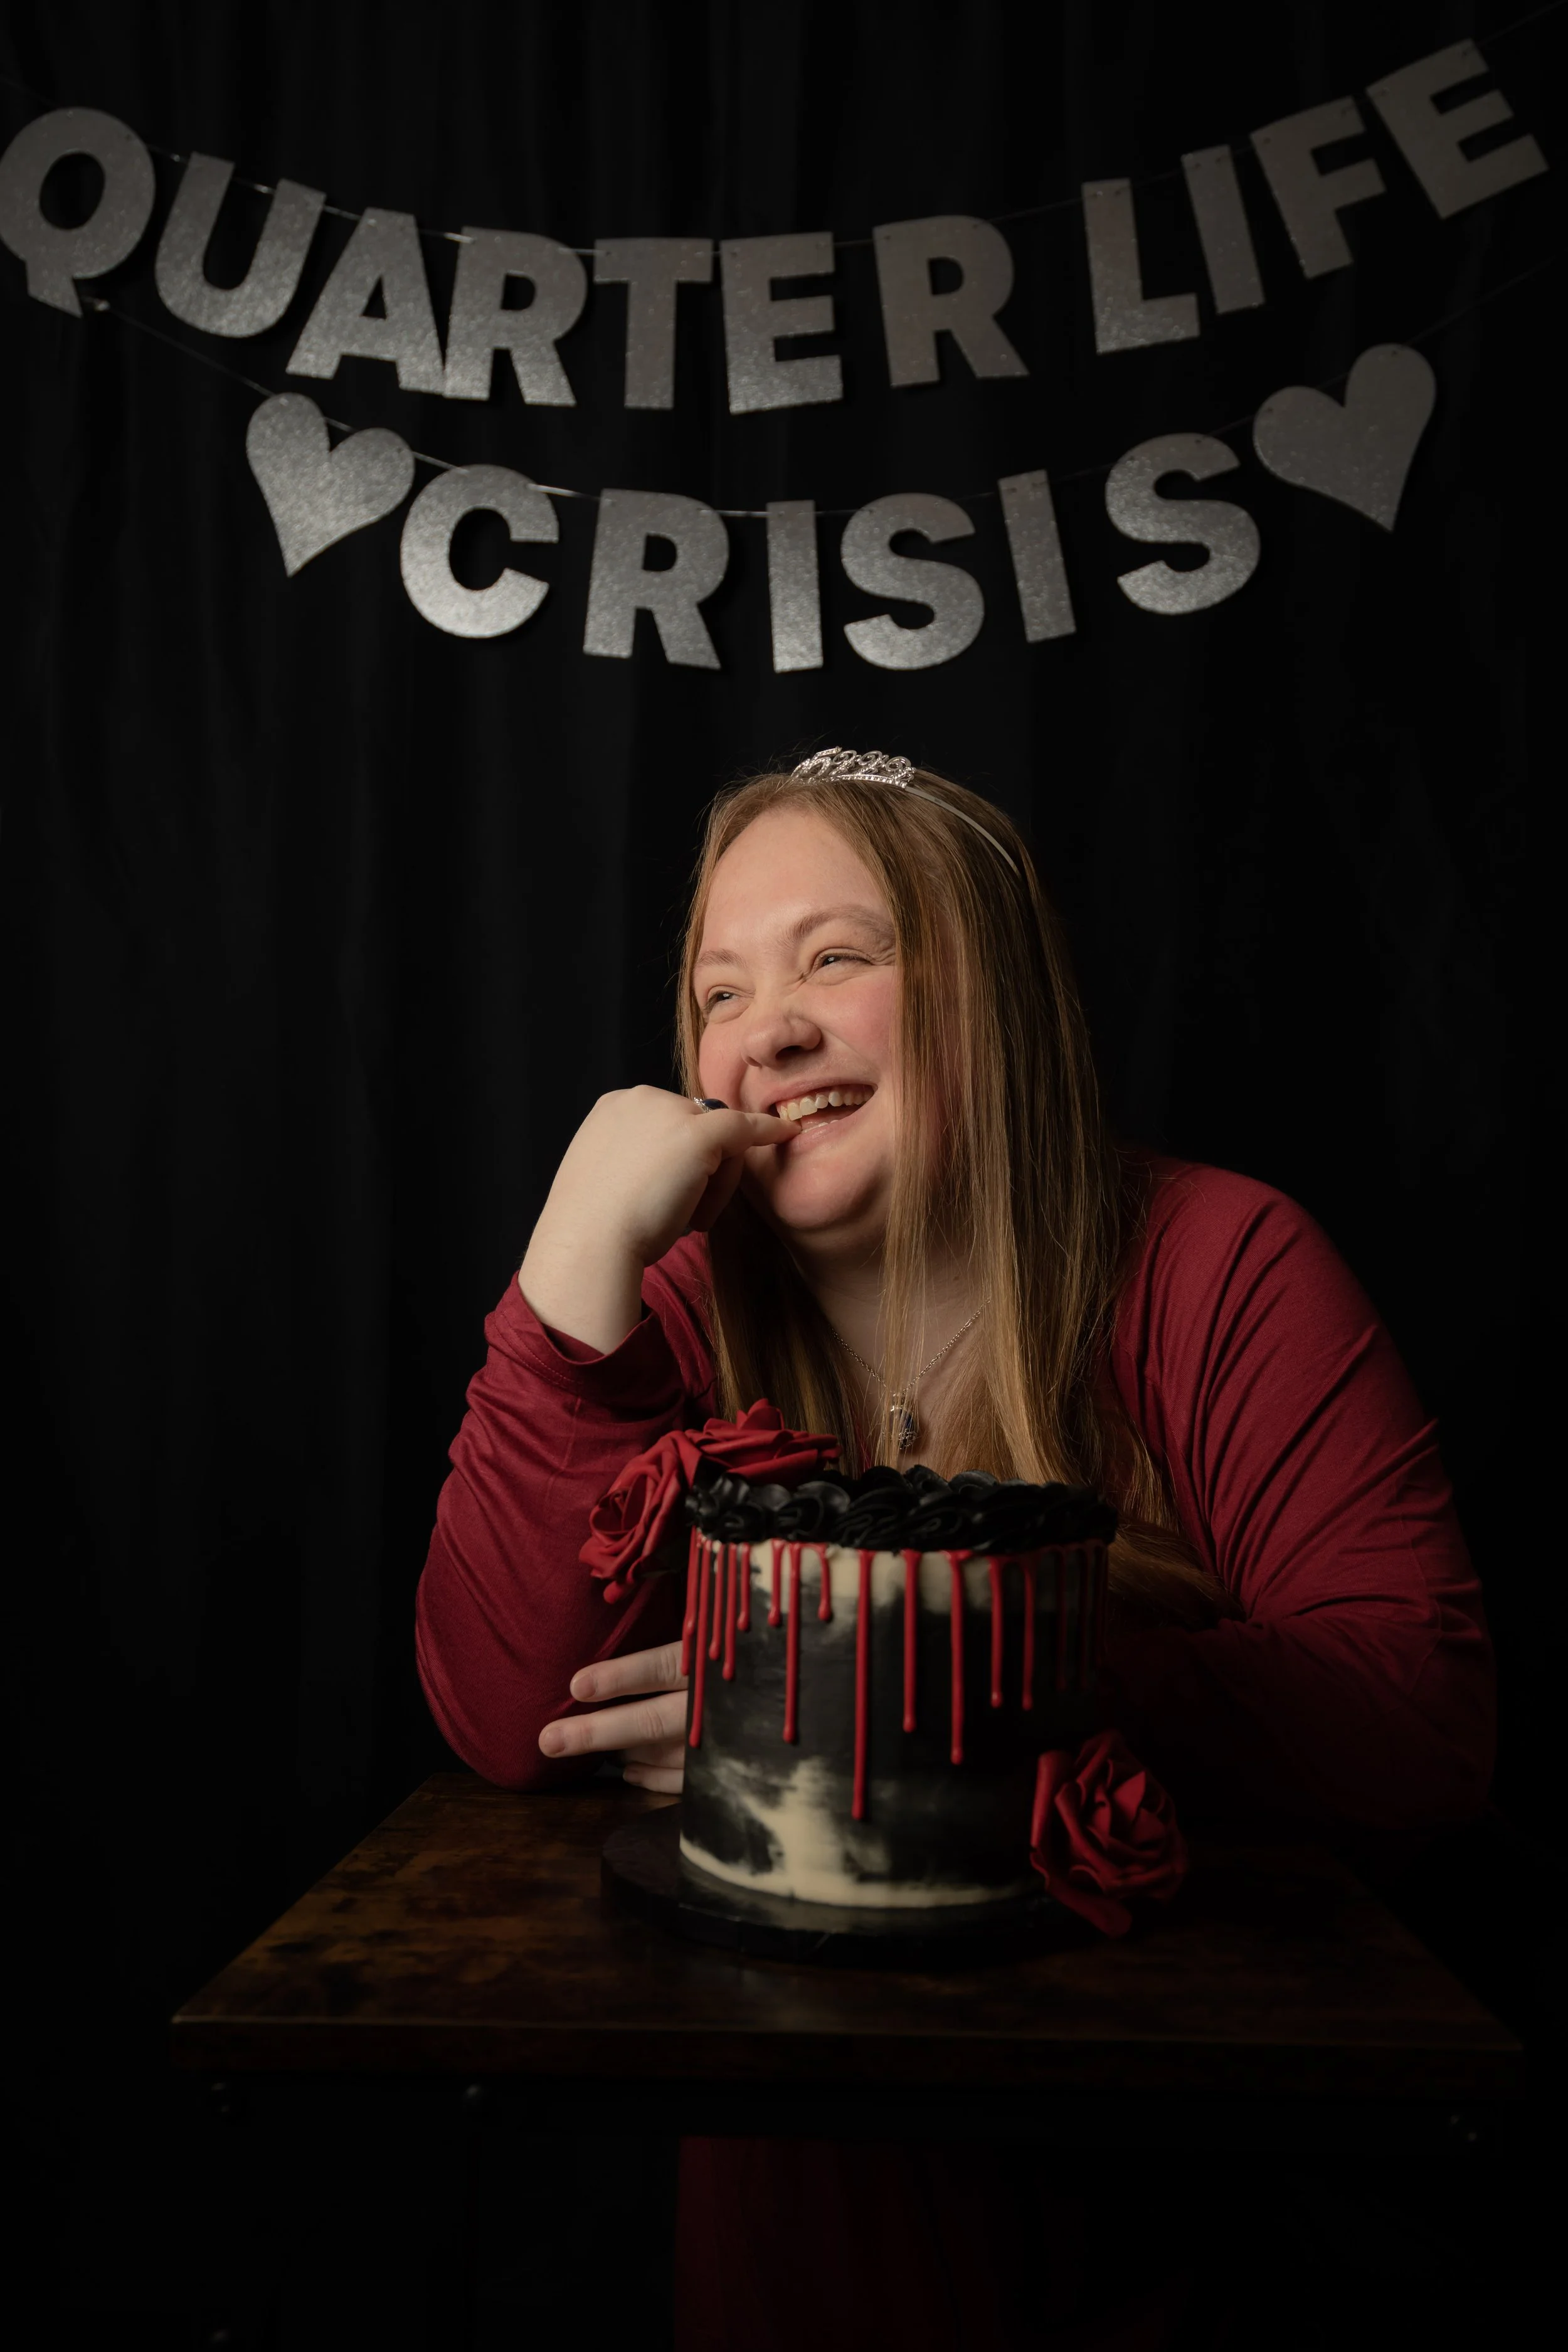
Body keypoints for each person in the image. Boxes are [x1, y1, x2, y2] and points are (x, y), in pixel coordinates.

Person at [415, 749, 1493, 2349]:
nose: (763, 1030)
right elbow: (513, 1723)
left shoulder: (1220, 1260)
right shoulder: (679, 1305)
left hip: (1180, 2175)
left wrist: (848, 1714)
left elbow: (1418, 1713)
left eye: (836, 958)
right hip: (795, 2191)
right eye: (717, 993)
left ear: (991, 994)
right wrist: (564, 1288)